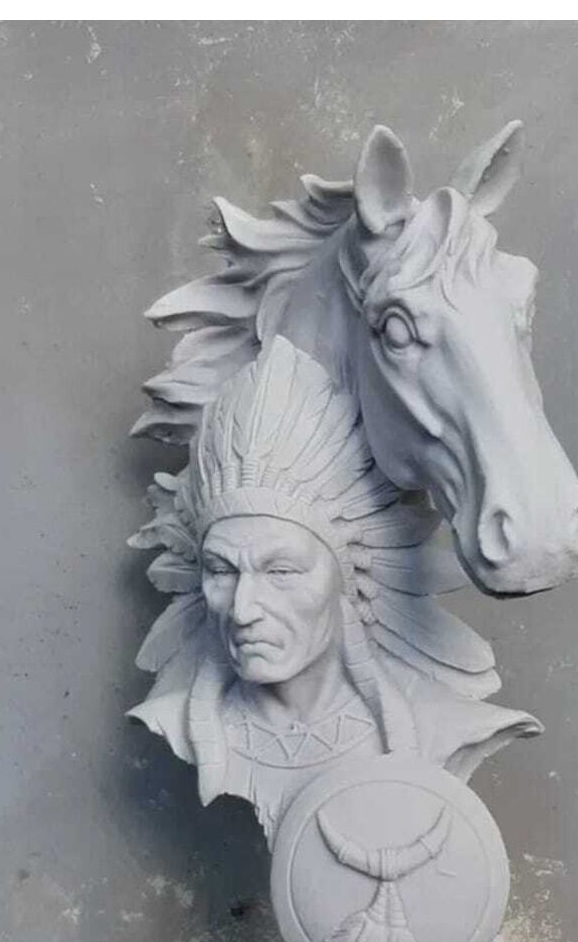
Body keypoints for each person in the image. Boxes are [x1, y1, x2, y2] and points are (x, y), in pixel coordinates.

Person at [128, 337, 539, 839]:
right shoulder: (170, 721)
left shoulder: (448, 728)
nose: (242, 609)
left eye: (281, 572)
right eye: (222, 570)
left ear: (349, 579)